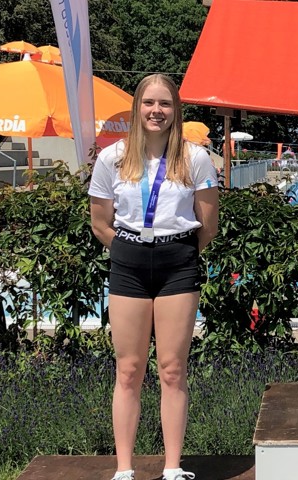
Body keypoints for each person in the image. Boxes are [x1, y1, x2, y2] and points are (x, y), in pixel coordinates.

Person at [89, 74, 219, 480]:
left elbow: (209, 225)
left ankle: (173, 467)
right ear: (137, 108)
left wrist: (174, 252)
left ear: (175, 111)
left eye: (165, 104)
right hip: (128, 260)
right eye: (148, 103)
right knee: (128, 369)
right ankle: (124, 469)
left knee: (172, 368)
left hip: (178, 262)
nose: (156, 111)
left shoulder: (195, 158)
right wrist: (133, 252)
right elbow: (100, 223)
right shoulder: (113, 158)